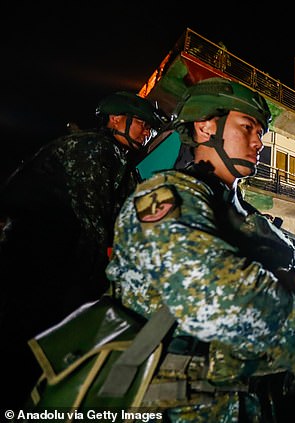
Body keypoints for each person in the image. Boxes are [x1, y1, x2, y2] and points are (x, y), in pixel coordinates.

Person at [105, 77, 295, 422]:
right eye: (248, 126)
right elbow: (209, 295)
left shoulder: (252, 219)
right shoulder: (164, 195)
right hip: (178, 405)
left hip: (246, 400)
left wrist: (293, 286)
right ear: (206, 125)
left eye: (261, 132)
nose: (259, 141)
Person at [0, 91, 164, 409]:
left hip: (54, 262)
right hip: (37, 263)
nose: (147, 132)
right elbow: (96, 224)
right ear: (116, 119)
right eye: (142, 124)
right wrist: (99, 287)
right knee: (27, 349)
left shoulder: (120, 160)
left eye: (150, 128)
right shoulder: (94, 148)